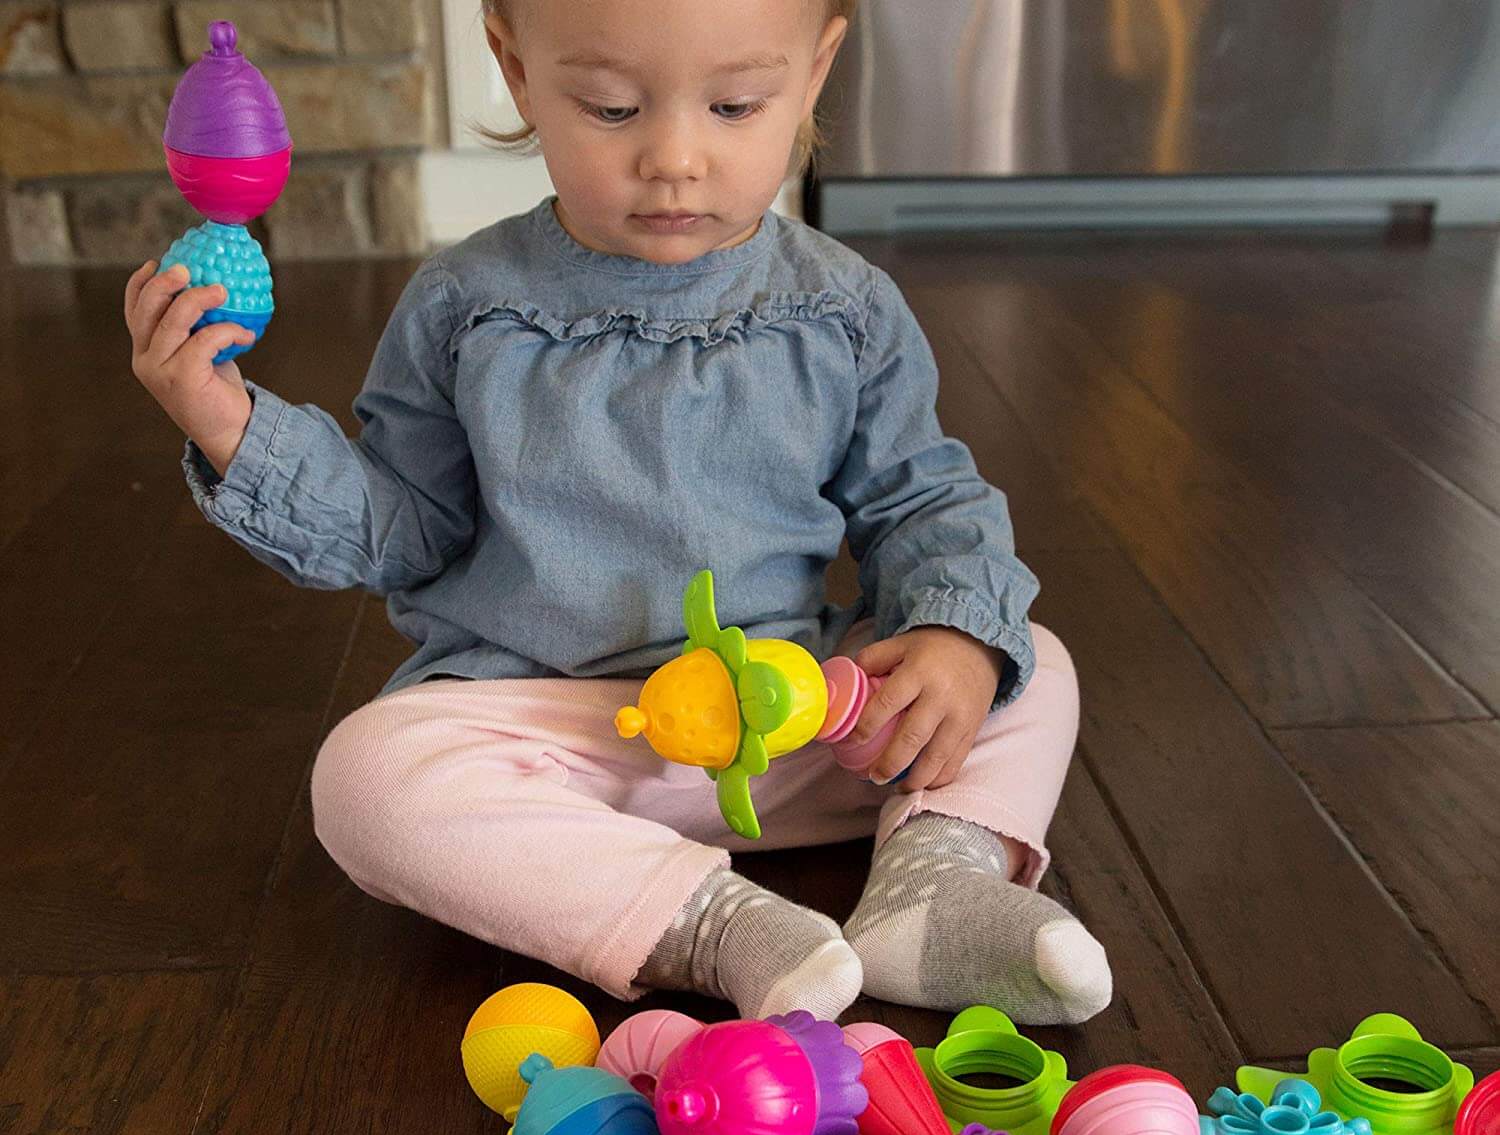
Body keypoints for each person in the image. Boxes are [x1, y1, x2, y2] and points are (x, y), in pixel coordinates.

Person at [123, 0, 1112, 1027]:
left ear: (814, 75)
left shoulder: (842, 309)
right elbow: (402, 522)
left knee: (1024, 665)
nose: (674, 158)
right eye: (611, 107)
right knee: (366, 779)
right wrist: (231, 422)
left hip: (788, 723)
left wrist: (955, 640)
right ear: (516, 70)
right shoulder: (468, 307)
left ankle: (932, 890)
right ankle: (713, 924)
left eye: (734, 105)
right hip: (551, 734)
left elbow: (923, 502)